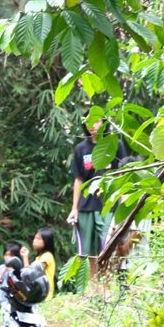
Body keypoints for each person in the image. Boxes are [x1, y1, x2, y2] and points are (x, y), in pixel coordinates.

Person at [67, 122, 124, 290]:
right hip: (86, 206)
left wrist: (122, 205)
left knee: (106, 248)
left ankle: (106, 289)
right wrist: (74, 208)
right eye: (89, 121)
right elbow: (78, 179)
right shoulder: (80, 149)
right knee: (88, 252)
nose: (93, 125)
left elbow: (121, 174)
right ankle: (93, 290)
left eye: (97, 120)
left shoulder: (115, 144)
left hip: (108, 205)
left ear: (104, 123)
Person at [23, 228, 57, 298]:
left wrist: (25, 258)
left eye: (38, 239)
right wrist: (25, 256)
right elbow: (27, 275)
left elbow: (31, 274)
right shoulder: (39, 258)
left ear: (46, 241)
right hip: (39, 295)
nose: (34, 241)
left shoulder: (47, 256)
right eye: (34, 238)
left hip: (44, 296)